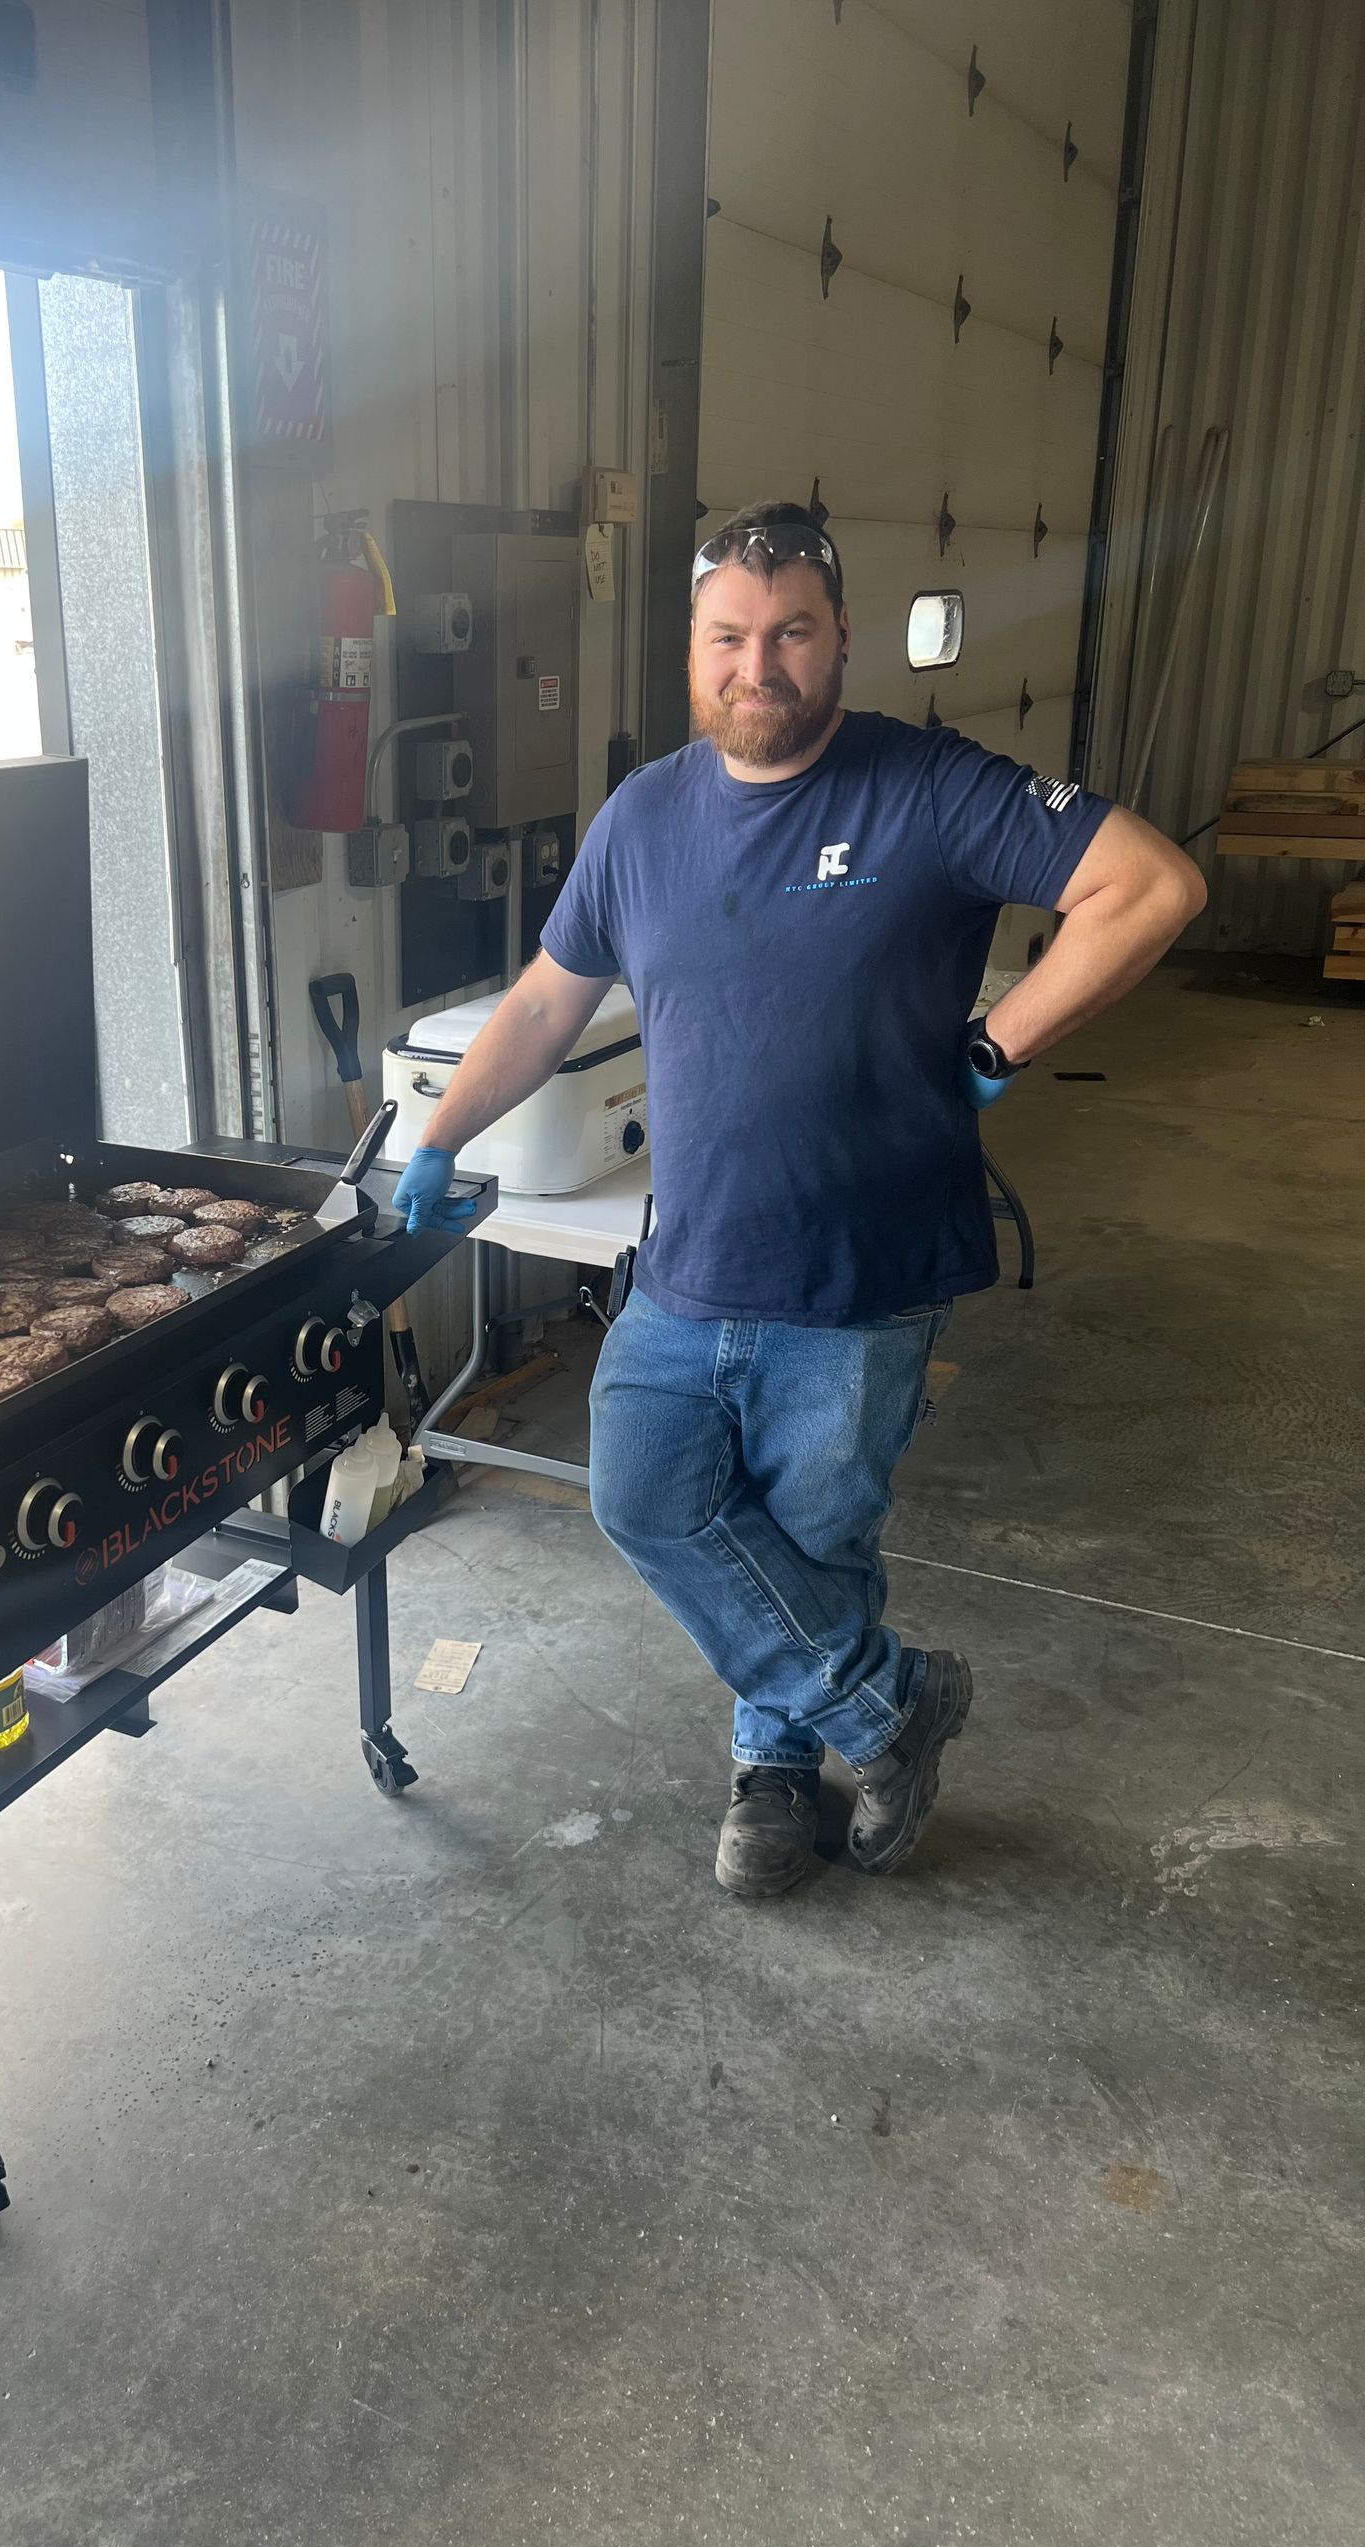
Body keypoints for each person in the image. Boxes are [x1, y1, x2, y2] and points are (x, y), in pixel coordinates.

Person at [392, 499, 1205, 1899]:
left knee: (815, 1533)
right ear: (690, 648)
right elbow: (543, 1001)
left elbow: (1150, 884)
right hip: (688, 1260)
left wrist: (995, 1046)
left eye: (791, 634)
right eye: (728, 637)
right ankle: (893, 1709)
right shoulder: (644, 818)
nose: (756, 665)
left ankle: (773, 1771)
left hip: (861, 1271)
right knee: (649, 1502)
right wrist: (432, 1136)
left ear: (839, 640)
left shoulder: (929, 789)